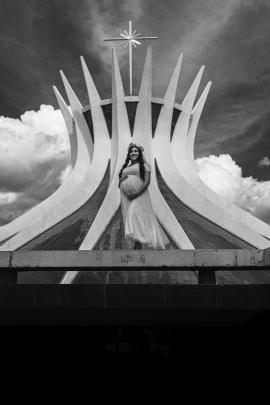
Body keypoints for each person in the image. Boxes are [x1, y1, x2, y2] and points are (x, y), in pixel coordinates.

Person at [119, 143, 169, 249]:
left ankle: (143, 240)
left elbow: (146, 182)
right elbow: (121, 181)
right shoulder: (127, 167)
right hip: (128, 196)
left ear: (140, 153)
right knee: (135, 219)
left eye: (136, 151)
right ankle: (138, 244)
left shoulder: (145, 165)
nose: (133, 153)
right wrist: (121, 183)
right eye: (131, 151)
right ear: (129, 154)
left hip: (139, 195)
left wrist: (136, 193)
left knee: (133, 216)